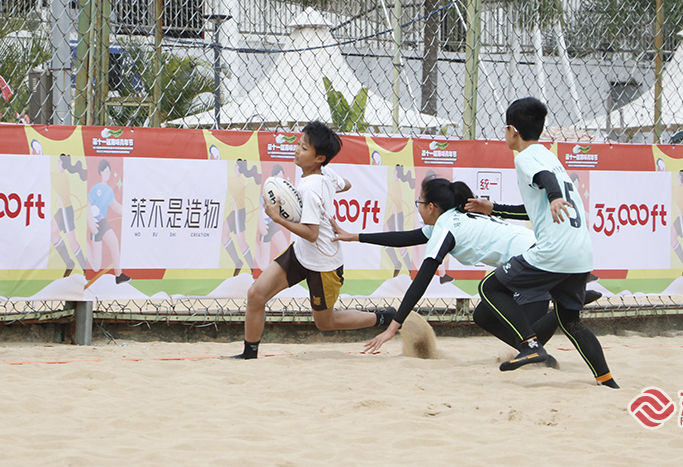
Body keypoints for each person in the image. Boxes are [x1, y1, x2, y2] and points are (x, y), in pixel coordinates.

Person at [334, 176, 601, 365]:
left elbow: (422, 279)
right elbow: (407, 237)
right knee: (485, 315)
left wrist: (394, 326)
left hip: (535, 260)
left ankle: (559, 318)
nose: (417, 207)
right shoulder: (452, 218)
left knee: (529, 332)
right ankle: (559, 318)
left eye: (419, 202)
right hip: (541, 255)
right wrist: (354, 236)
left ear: (431, 208)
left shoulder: (447, 226)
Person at [226, 121, 395, 359]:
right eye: (298, 144)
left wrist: (277, 217)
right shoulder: (324, 173)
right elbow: (346, 184)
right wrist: (329, 191)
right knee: (256, 294)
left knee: (325, 322)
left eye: (304, 148)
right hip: (301, 253)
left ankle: (384, 317)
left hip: (324, 264)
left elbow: (312, 233)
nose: (297, 150)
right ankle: (248, 354)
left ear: (319, 158)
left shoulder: (311, 188)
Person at [480, 97, 618, 388]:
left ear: (512, 130)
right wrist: (495, 209)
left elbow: (544, 181)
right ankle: (607, 381)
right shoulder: (549, 156)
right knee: (571, 322)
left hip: (555, 251)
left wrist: (555, 196)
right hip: (580, 254)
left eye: (504, 128)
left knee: (489, 286)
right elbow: (534, 203)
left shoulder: (527, 157)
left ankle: (530, 345)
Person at [87, 159, 130, 284]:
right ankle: (85, 246)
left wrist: (129, 212)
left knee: (114, 243)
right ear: (100, 173)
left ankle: (119, 275)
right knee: (96, 266)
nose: (107, 174)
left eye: (109, 171)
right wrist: (90, 222)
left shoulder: (109, 190)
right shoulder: (95, 189)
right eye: (105, 171)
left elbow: (115, 206)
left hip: (103, 221)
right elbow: (87, 205)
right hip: (95, 224)